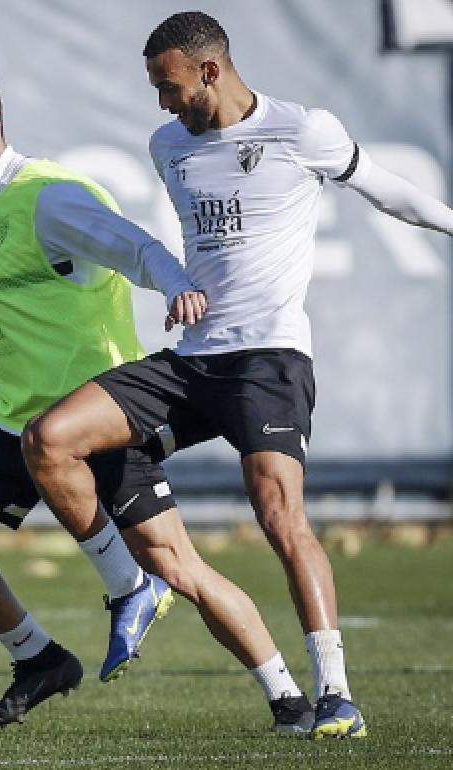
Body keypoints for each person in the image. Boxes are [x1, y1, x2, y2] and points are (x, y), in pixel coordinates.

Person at [24, 11, 453, 740]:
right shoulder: (168, 146)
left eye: (168, 86)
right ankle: (148, 600)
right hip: (191, 361)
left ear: (210, 71)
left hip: (268, 360)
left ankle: (335, 692)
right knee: (52, 439)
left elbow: (389, 192)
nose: (162, 104)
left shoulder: (303, 130)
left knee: (279, 515)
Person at [0, 68, 311, 733]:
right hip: (16, 416)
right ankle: (40, 659)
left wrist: (176, 285)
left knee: (180, 568)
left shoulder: (50, 197)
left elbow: (135, 246)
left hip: (93, 421)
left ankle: (287, 695)